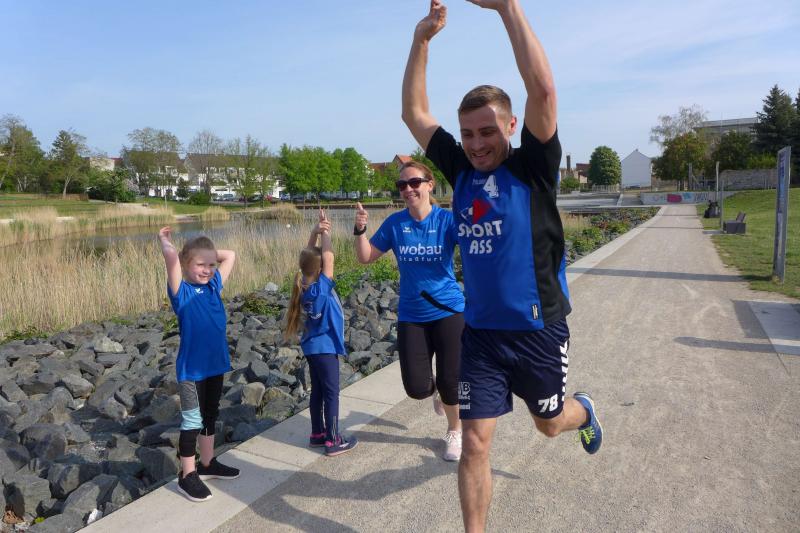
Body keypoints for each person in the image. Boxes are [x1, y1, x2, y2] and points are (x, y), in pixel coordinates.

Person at [401, 0, 603, 530]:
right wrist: (422, 39)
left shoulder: (533, 166)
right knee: (474, 444)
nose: (476, 144)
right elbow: (414, 114)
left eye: (487, 131)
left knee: (549, 424)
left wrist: (506, 7)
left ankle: (583, 410)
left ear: (511, 126)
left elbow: (543, 90)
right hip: (482, 336)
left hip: (538, 330)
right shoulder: (461, 170)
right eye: (467, 134)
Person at [354, 160, 466, 461]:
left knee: (452, 380)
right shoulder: (395, 223)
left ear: (430, 185)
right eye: (402, 185)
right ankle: (437, 392)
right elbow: (365, 256)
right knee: (417, 388)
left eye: (414, 182)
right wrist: (360, 229)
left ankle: (455, 430)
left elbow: (476, 244)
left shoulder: (447, 220)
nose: (408, 189)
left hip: (449, 310)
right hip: (412, 315)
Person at [158, 226, 240, 503]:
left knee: (210, 415)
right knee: (192, 421)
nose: (207, 270)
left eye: (211, 265)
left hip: (215, 366)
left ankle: (207, 463)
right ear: (185, 264)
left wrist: (205, 254)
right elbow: (171, 259)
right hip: (192, 370)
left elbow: (230, 255)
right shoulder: (181, 292)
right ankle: (187, 474)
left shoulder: (214, 285)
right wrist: (166, 242)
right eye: (200, 265)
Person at [285, 209, 358, 457]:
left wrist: (314, 233)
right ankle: (333, 440)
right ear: (320, 270)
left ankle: (317, 433)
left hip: (311, 347)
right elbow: (328, 257)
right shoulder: (321, 288)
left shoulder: (303, 285)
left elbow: (307, 258)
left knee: (317, 391)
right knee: (331, 393)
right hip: (325, 348)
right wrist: (325, 231)